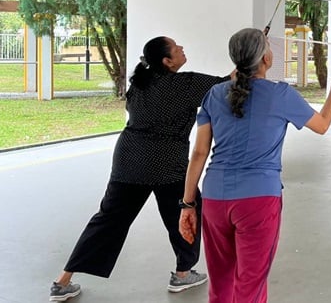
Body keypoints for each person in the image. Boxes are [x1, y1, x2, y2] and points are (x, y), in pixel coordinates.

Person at [49, 37, 231, 302]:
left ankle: (63, 281)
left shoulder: (138, 84)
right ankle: (182, 274)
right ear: (167, 61)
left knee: (107, 220)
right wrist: (250, 56)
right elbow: (226, 84)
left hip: (129, 159)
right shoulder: (185, 84)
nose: (182, 48)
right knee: (185, 212)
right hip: (167, 163)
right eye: (176, 48)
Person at [179, 28, 331, 303]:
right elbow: (323, 124)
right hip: (258, 200)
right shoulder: (281, 94)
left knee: (220, 282)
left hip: (214, 198)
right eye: (269, 46)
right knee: (251, 285)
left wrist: (188, 205)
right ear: (266, 59)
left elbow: (199, 153)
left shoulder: (213, 94)